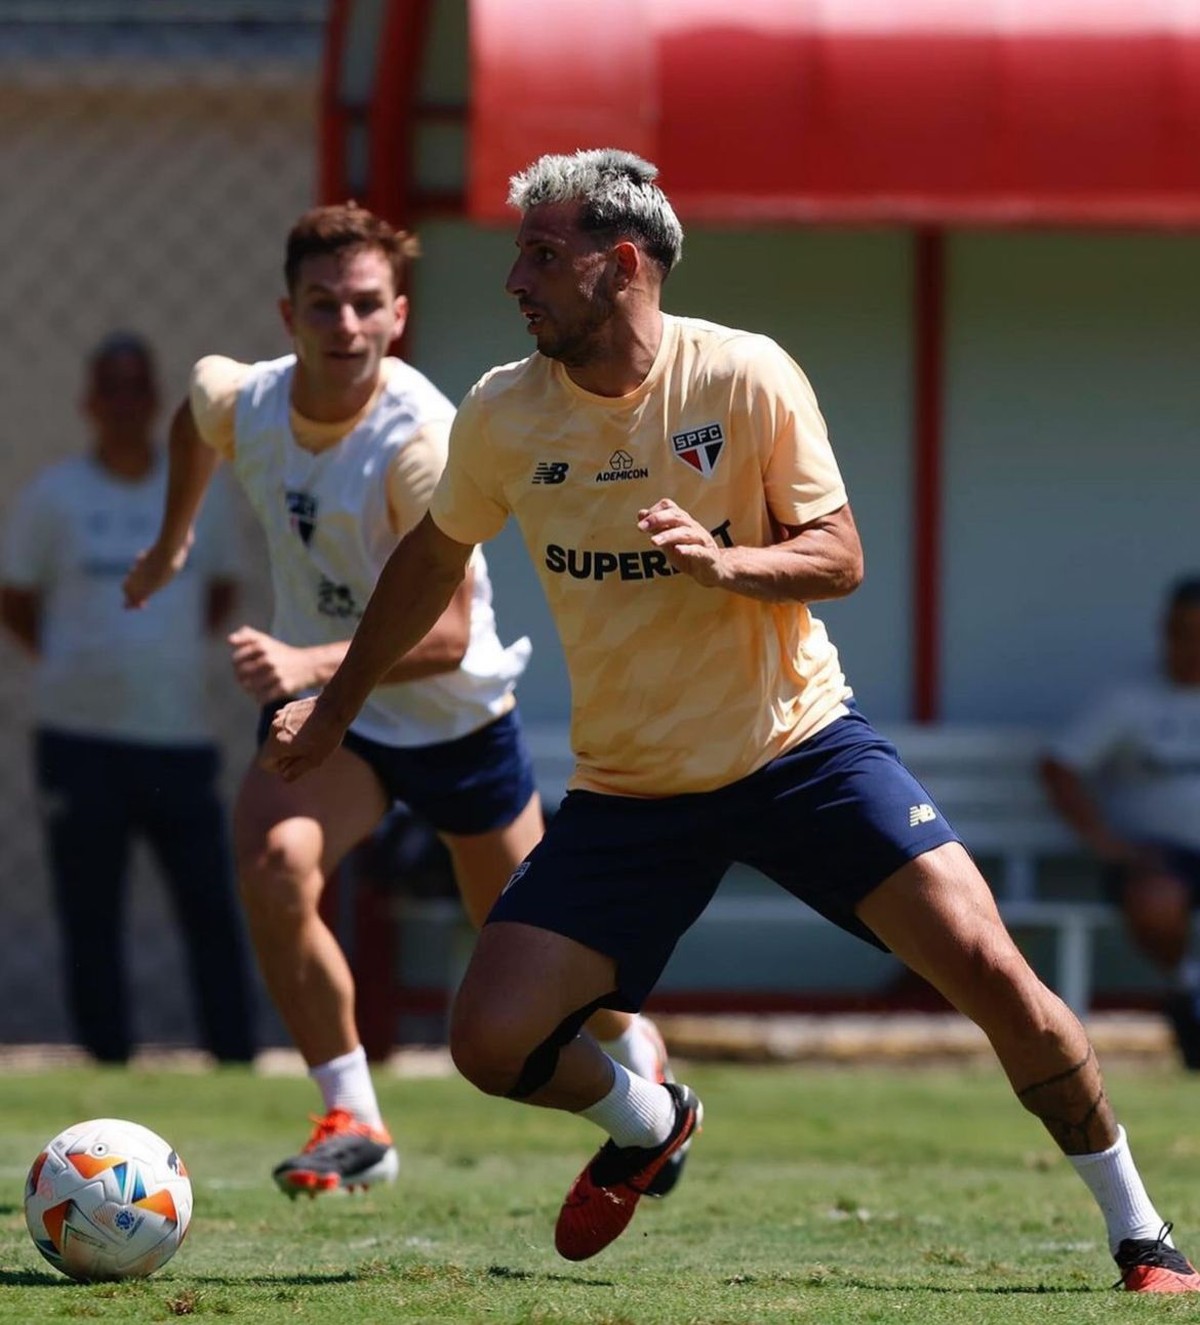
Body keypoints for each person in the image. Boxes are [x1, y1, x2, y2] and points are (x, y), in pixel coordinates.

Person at [259, 150, 1200, 1292]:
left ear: (620, 266)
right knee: (488, 1041)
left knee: (995, 973)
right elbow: (431, 558)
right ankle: (651, 1116)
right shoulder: (506, 409)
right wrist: (336, 699)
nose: (516, 278)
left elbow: (839, 553)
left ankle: (1142, 1232)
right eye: (520, 254)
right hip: (633, 792)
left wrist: (727, 560)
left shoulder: (744, 376)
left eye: (542, 256)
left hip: (796, 751)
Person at [122, 203, 680, 1198]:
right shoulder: (242, 395)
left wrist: (305, 668)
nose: (344, 324)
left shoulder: (419, 440)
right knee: (271, 863)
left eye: (365, 305)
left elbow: (451, 633)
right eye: (323, 304)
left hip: (454, 717)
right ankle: (354, 1117)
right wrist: (174, 540)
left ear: (397, 315)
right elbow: (192, 413)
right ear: (286, 311)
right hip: (342, 719)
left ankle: (635, 1049)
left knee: (555, 982)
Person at [0, 331, 257, 1066]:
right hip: (77, 738)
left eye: (134, 386)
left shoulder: (193, 492)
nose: (121, 401)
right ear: (89, 402)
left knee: (209, 905)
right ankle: (107, 1057)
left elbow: (217, 594)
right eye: (107, 387)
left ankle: (233, 1056)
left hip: (177, 736)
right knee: (90, 913)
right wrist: (80, 661)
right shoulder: (54, 496)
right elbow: (16, 601)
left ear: (153, 400)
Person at [1041, 576, 1200, 1068]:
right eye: (1181, 632)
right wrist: (1105, 842)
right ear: (1164, 632)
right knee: (1157, 900)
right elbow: (1060, 767)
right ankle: (1189, 991)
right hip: (1156, 858)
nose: (1190, 647)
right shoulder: (1129, 701)